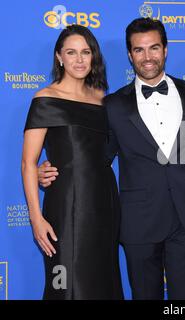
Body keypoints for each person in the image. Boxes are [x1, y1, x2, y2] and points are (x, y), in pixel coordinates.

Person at [39, 18, 185, 300]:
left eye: (154, 48)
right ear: (130, 55)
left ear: (165, 50)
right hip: (138, 221)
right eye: (139, 50)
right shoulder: (113, 104)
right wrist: (46, 168)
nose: (147, 57)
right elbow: (93, 156)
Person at [22, 25, 123, 300]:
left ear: (93, 57)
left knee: (103, 281)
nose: (79, 60)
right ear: (59, 57)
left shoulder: (104, 100)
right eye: (71, 52)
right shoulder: (46, 98)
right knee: (64, 282)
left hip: (104, 204)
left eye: (85, 52)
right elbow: (28, 163)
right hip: (64, 205)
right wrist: (35, 218)